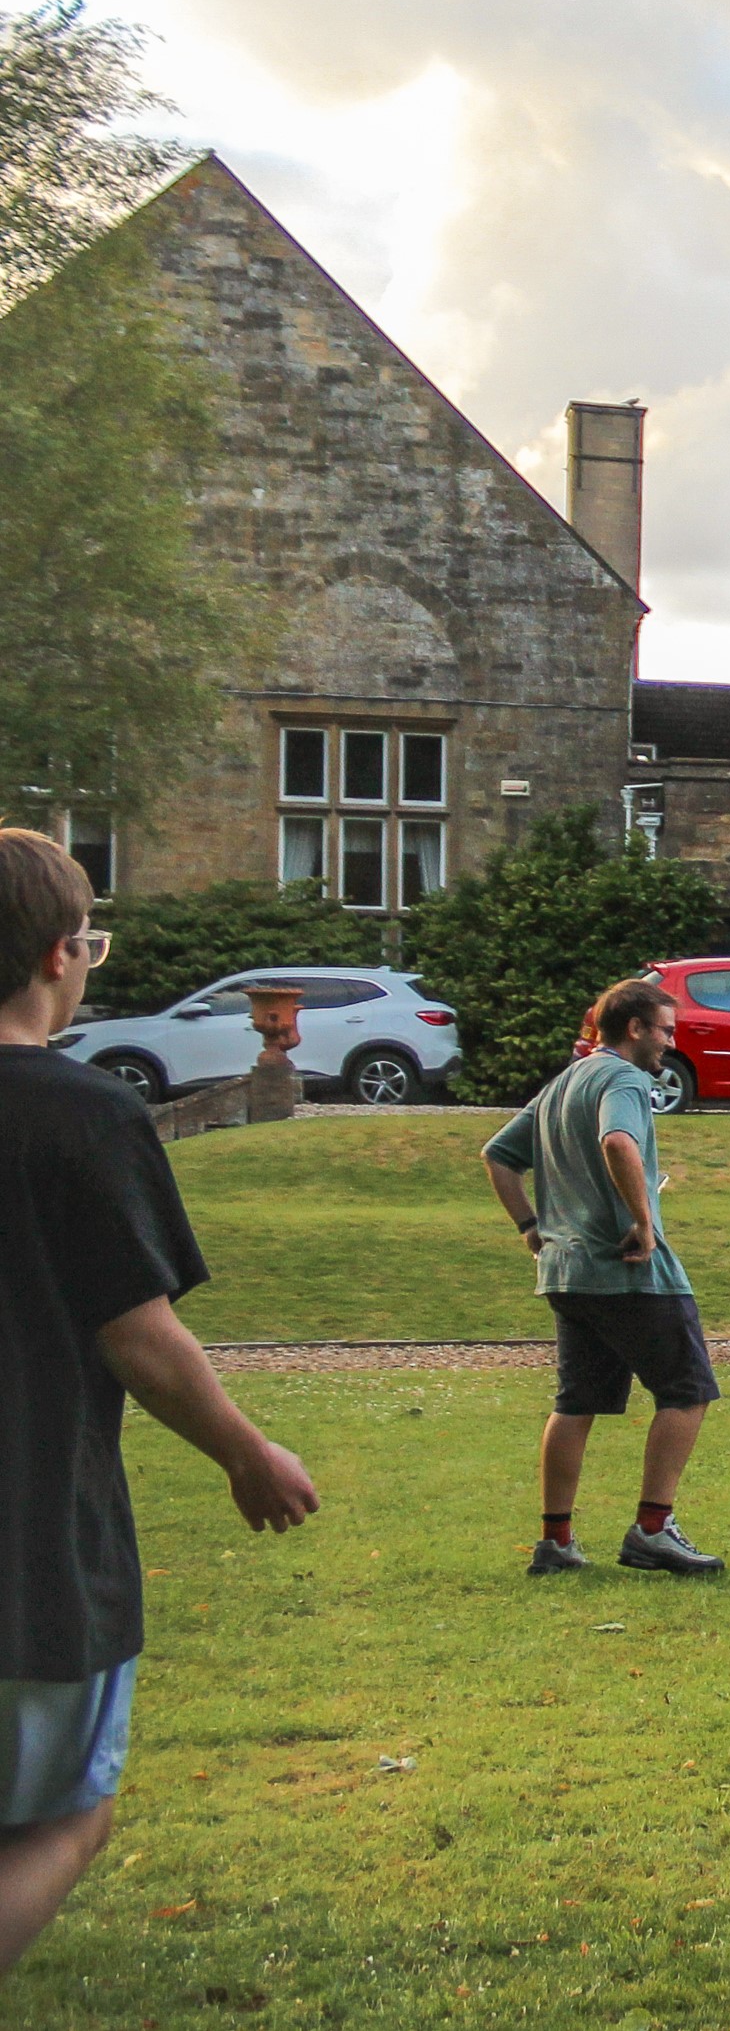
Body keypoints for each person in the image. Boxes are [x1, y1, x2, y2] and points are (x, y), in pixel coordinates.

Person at [0, 828, 319, 1979]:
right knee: (65, 1818)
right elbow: (137, 1334)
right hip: (31, 1545)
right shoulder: (81, 1114)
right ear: (57, 956)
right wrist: (246, 1453)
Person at [482, 977, 726, 1576]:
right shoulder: (622, 1078)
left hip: (567, 1272)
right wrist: (644, 1222)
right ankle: (652, 1530)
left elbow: (497, 1154)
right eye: (666, 1030)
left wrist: (528, 1226)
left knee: (576, 1403)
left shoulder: (564, 1082)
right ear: (636, 1028)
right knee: (688, 1391)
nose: (670, 1043)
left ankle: (556, 1542)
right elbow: (618, 1141)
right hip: (627, 1270)